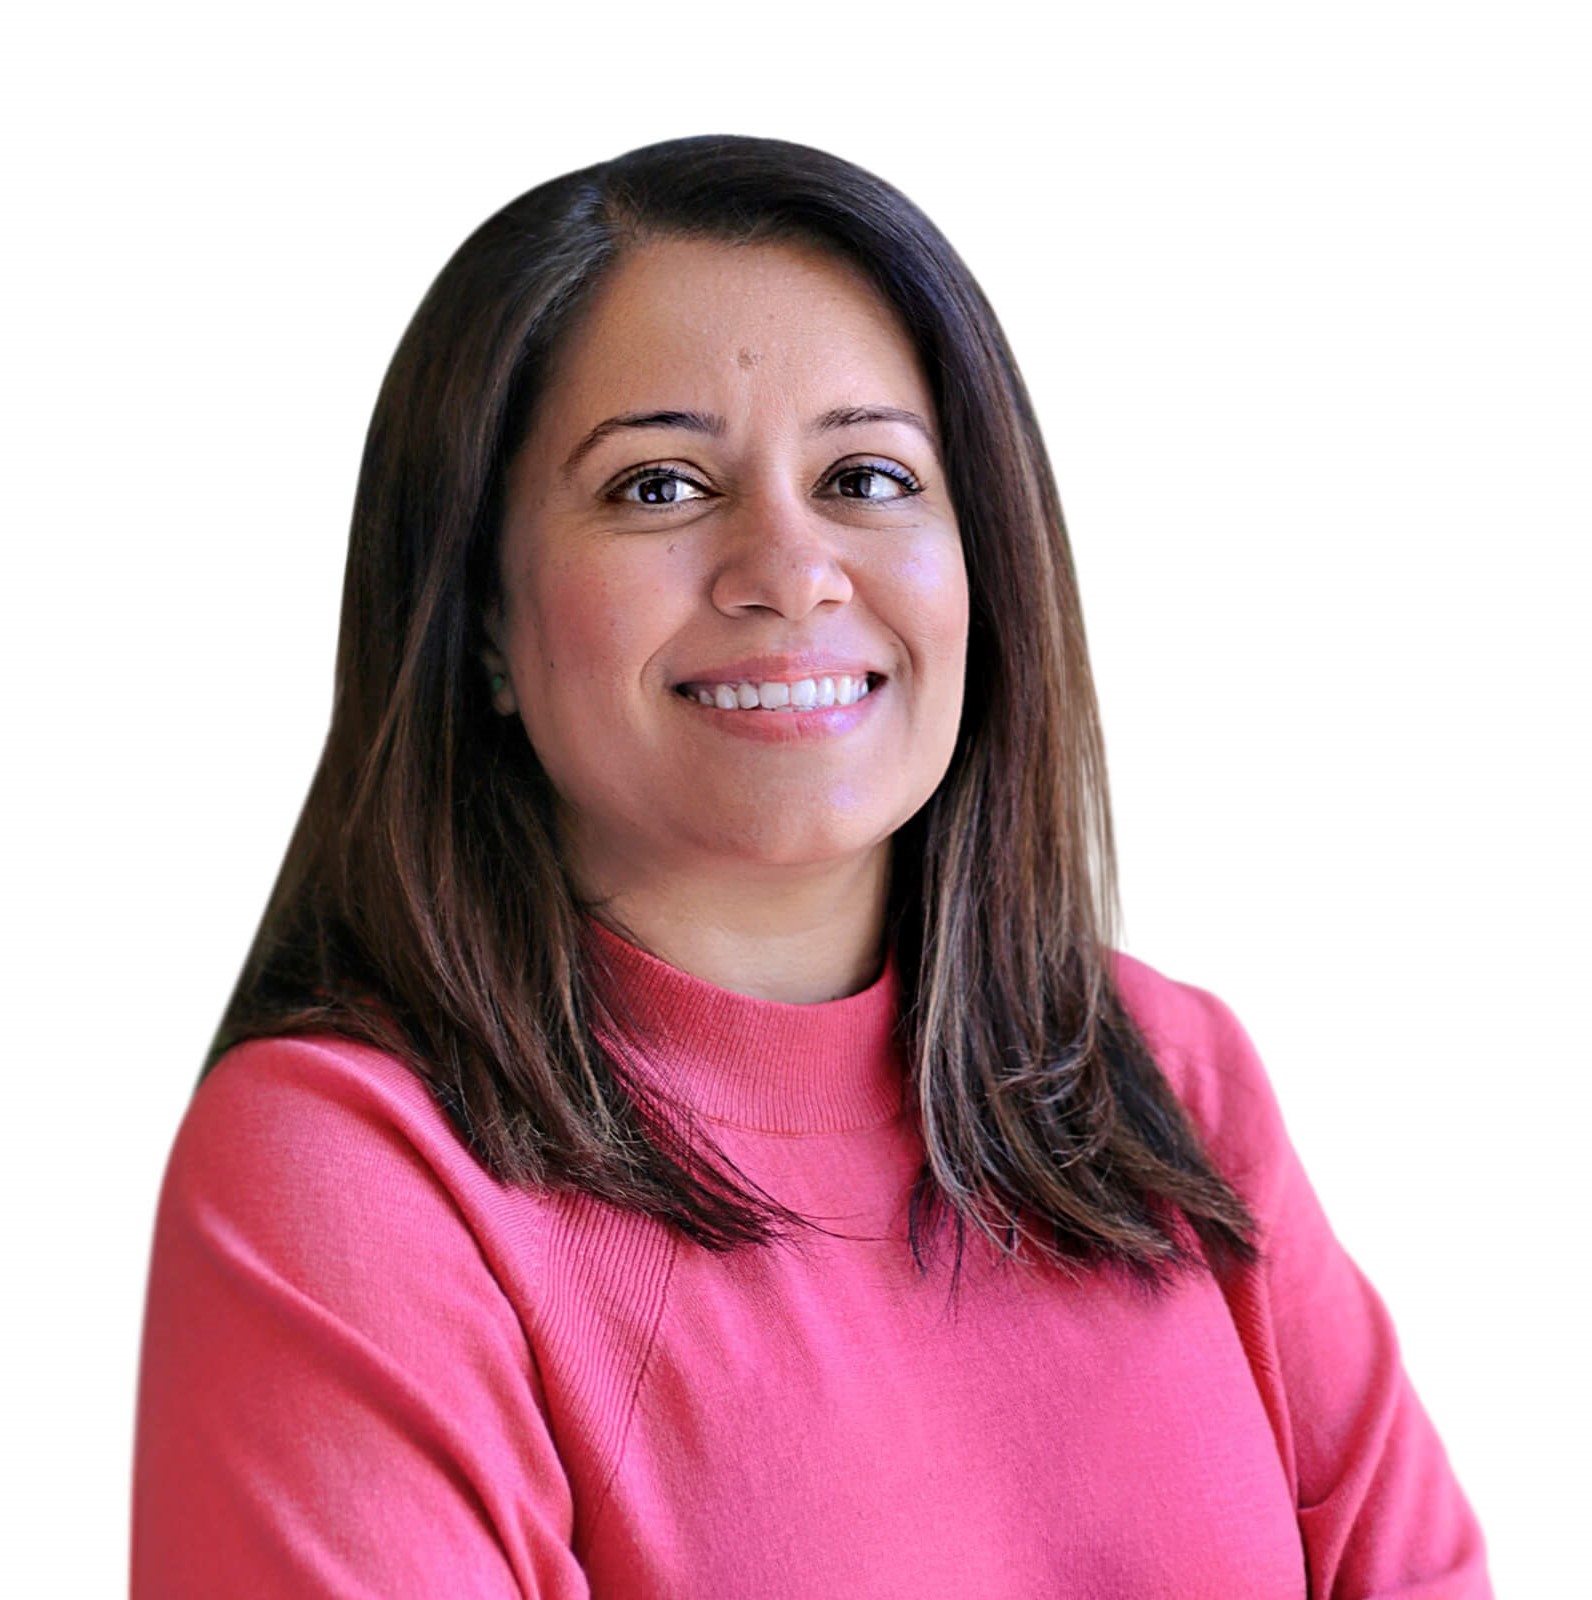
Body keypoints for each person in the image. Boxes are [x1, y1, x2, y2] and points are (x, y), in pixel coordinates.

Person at [130, 134, 1491, 1597]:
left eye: (867, 475)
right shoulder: (352, 1170)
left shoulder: (1169, 1080)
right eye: (657, 487)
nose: (789, 569)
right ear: (477, 623)